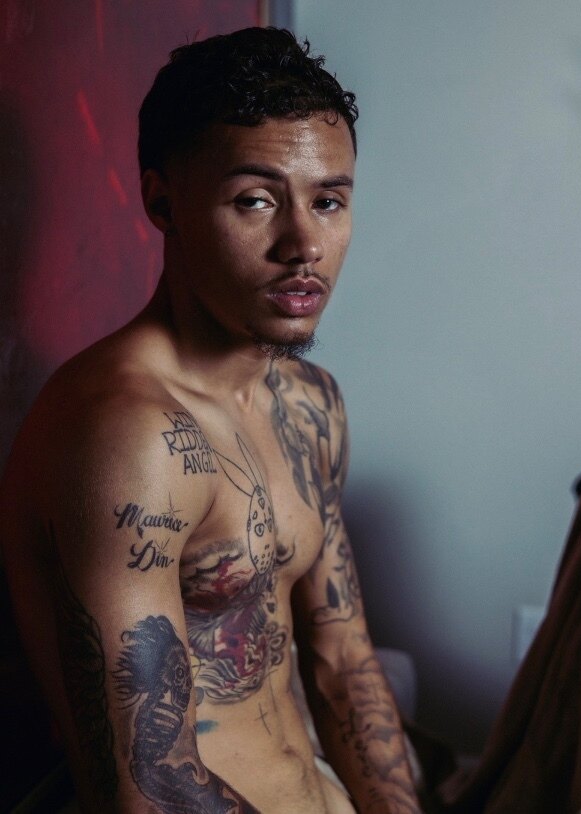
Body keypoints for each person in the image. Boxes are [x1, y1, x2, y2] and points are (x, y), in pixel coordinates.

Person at [0, 28, 421, 814]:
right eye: (256, 200)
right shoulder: (127, 437)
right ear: (164, 202)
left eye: (328, 201)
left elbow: (345, 663)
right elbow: (149, 786)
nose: (304, 244)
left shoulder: (311, 402)